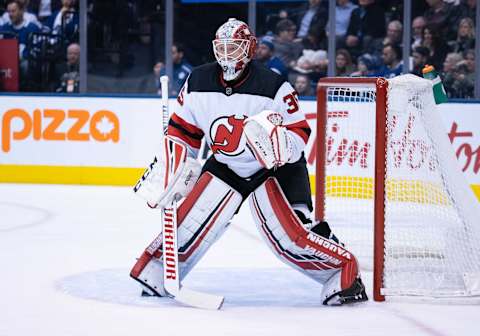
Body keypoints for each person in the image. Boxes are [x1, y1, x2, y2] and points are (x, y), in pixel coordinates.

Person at [130, 18, 368, 306]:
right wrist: (174, 167)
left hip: (273, 170)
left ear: (250, 49)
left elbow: (300, 133)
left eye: (236, 47)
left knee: (290, 239)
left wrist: (279, 146)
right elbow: (183, 132)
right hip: (226, 166)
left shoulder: (273, 85)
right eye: (224, 48)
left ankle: (345, 274)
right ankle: (156, 271)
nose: (228, 55)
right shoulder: (197, 80)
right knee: (190, 223)